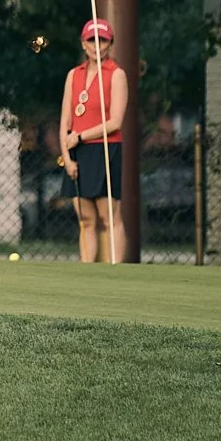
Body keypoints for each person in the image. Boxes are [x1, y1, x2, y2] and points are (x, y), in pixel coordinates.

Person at [58, 16, 128, 264]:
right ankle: (87, 268)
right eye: (91, 41)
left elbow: (115, 122)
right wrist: (67, 159)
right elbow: (65, 120)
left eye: (103, 41)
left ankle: (116, 270)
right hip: (77, 151)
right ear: (83, 44)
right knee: (85, 218)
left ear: (110, 44)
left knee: (109, 216)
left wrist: (81, 137)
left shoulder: (117, 75)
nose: (97, 46)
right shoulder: (73, 75)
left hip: (105, 149)